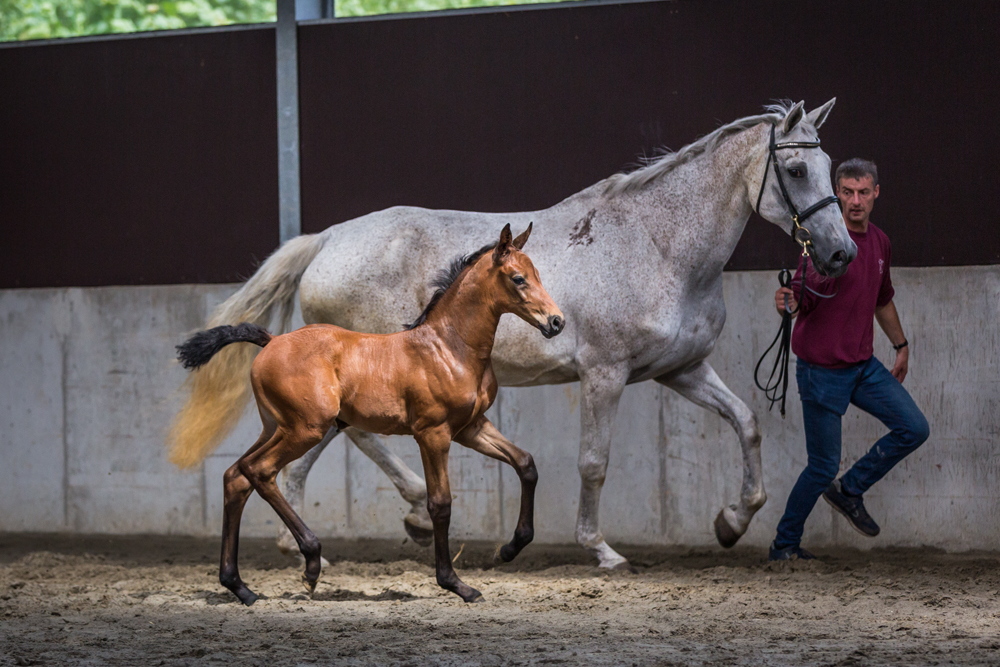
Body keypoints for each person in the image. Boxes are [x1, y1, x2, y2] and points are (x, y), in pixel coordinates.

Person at [768, 158, 930, 561]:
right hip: (821, 371)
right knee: (821, 467)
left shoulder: (880, 242)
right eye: (847, 192)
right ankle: (784, 546)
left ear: (876, 193)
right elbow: (799, 296)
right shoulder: (819, 240)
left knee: (914, 427)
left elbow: (882, 298)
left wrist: (901, 344)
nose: (855, 200)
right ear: (836, 194)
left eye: (863, 192)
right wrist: (786, 301)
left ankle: (851, 488)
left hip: (863, 367)